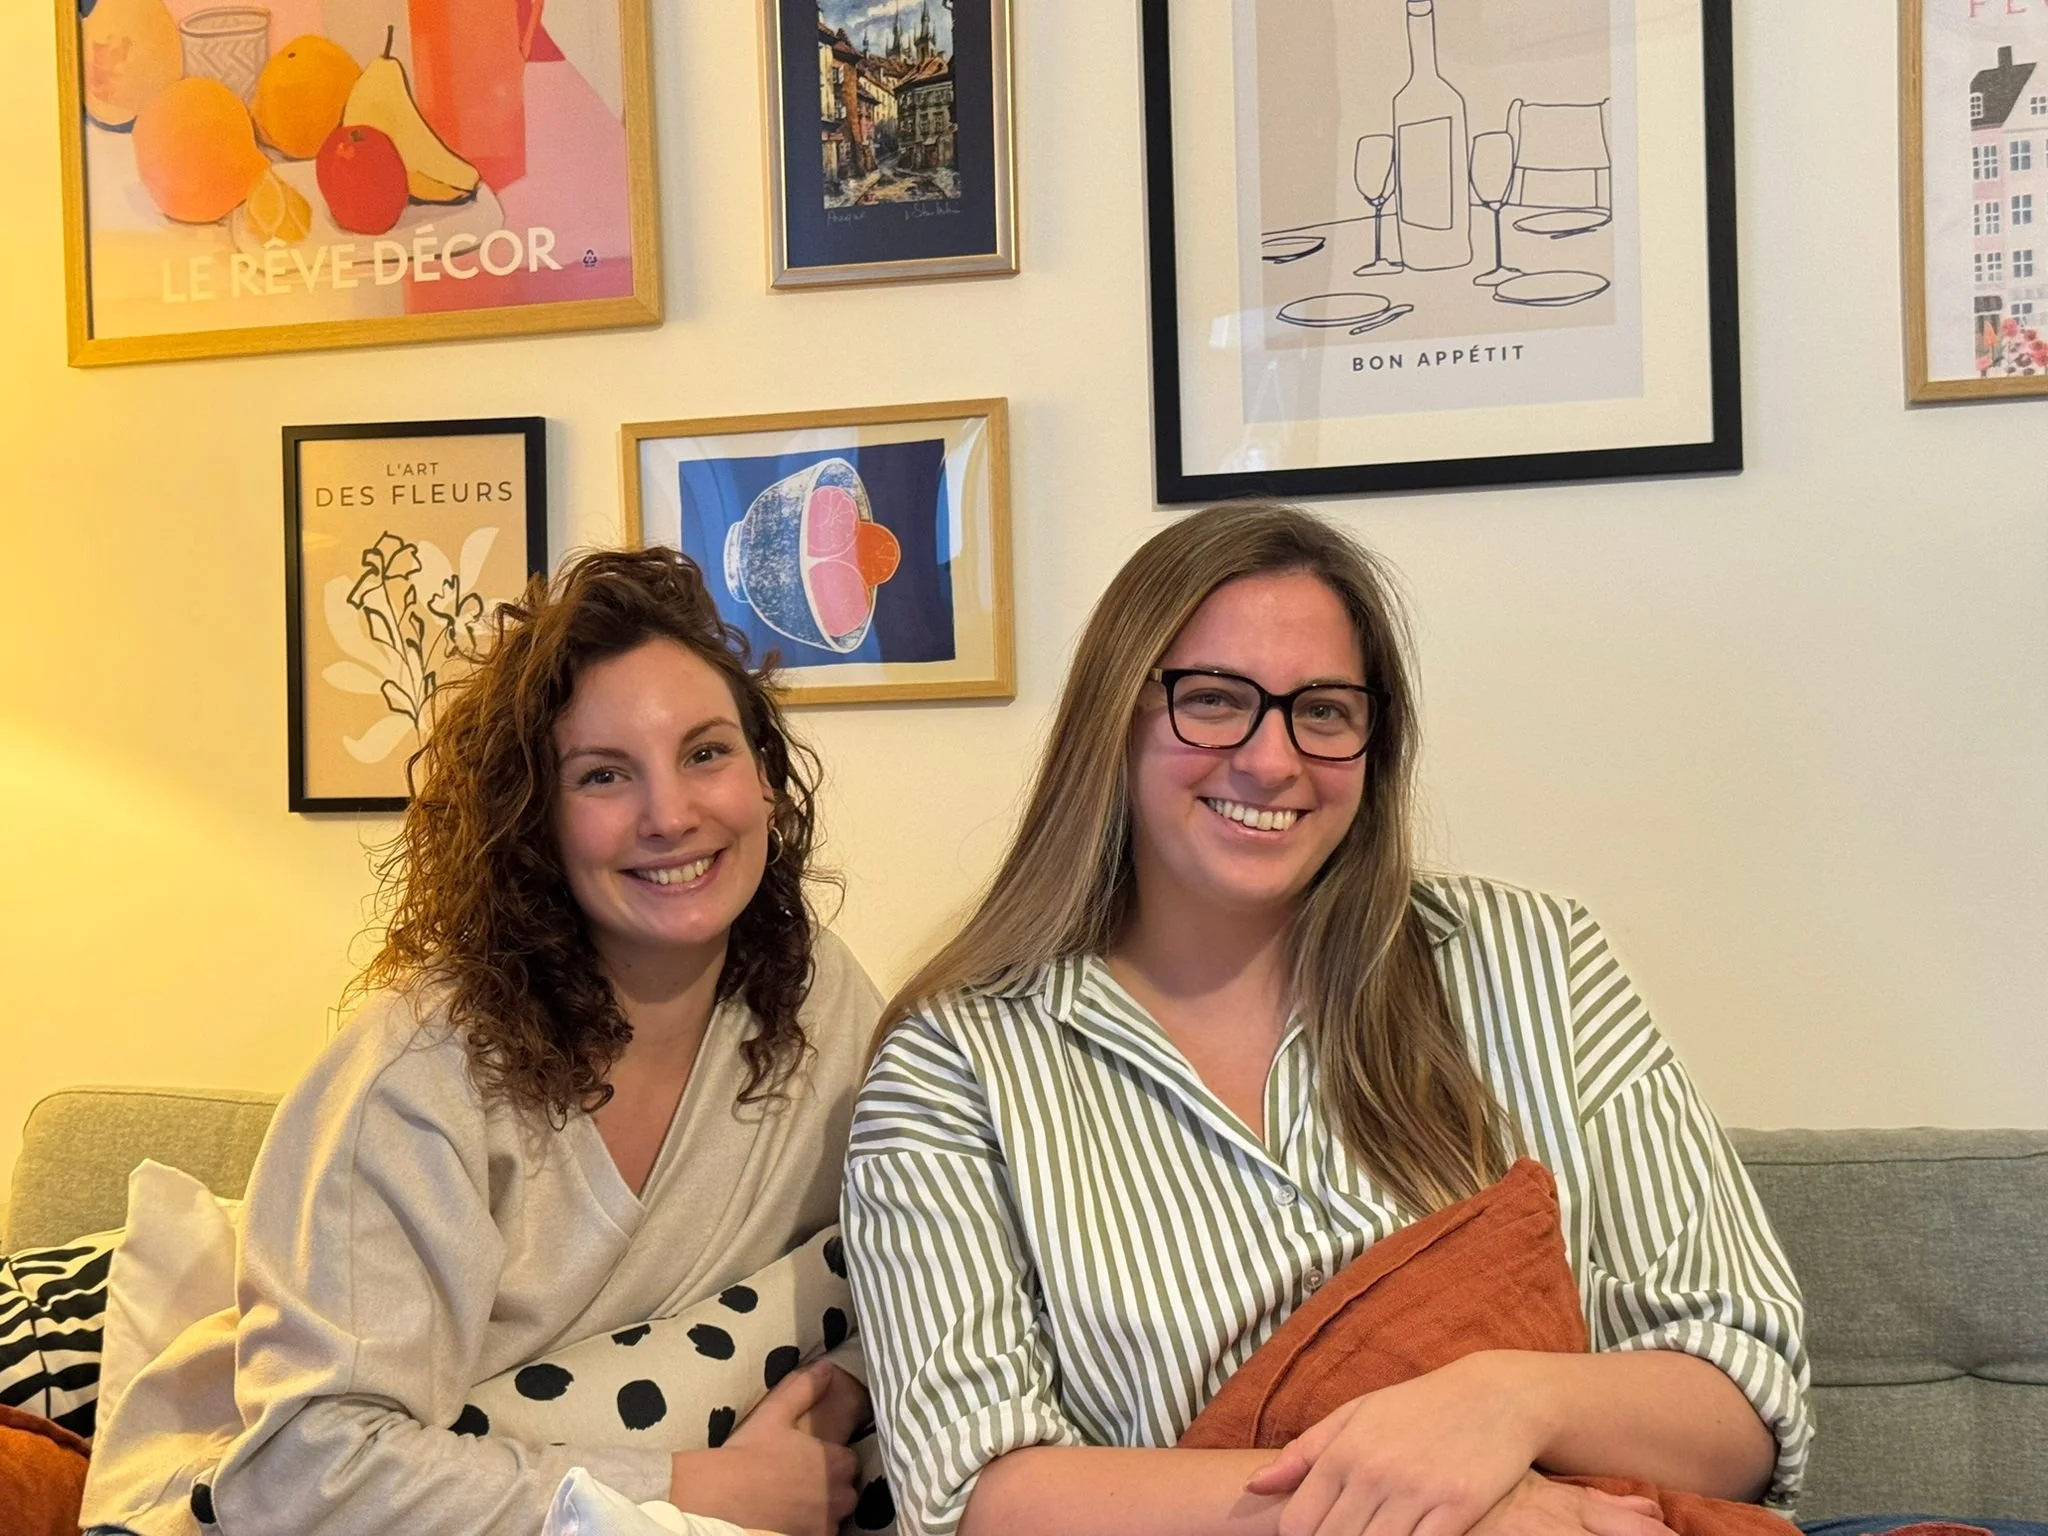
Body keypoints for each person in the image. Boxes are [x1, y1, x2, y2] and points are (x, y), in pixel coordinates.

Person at [841, 505, 1812, 1536]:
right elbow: (978, 1496)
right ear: (1111, 719)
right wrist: (1460, 1516)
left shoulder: (1539, 958)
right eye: (1211, 701)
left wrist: (1497, 1403)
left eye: (1323, 711)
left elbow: (1745, 1400)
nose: (1269, 760)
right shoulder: (954, 1062)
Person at [83, 547, 878, 1536]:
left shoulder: (818, 1000)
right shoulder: (417, 1078)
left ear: (766, 780)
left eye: (706, 752)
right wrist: (679, 1487)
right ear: (533, 822)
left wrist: (833, 1401)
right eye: (602, 776)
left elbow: (903, 1260)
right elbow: (301, 1471)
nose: (670, 815)